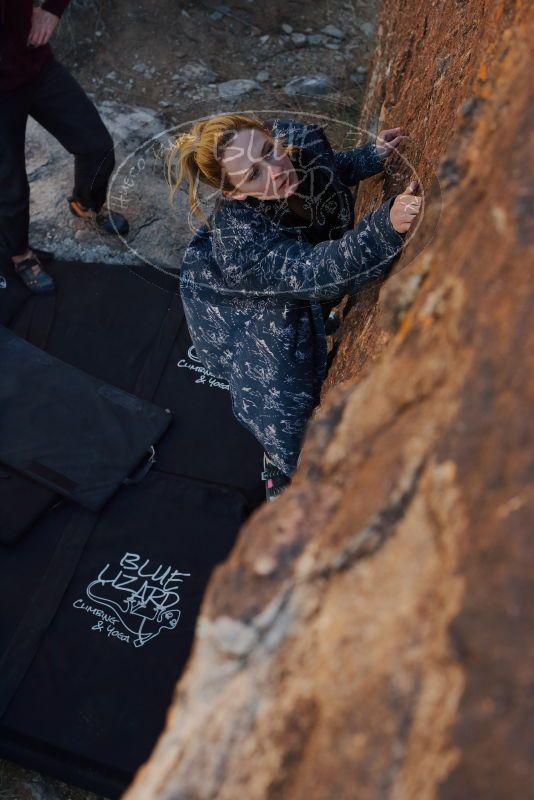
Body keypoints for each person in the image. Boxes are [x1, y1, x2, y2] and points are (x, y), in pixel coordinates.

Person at [167, 114, 421, 501]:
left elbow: (327, 171)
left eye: (270, 151)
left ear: (272, 137)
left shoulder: (297, 143)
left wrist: (371, 157)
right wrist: (383, 227)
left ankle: (318, 323)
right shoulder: (241, 244)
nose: (275, 171)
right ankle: (280, 466)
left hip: (284, 277)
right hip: (237, 317)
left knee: (306, 308)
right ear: (235, 192)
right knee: (286, 402)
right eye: (254, 174)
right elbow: (316, 271)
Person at [0, 0, 129, 294]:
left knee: (96, 145)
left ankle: (86, 204)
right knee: (9, 186)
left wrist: (52, 9)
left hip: (34, 64)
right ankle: (19, 254)